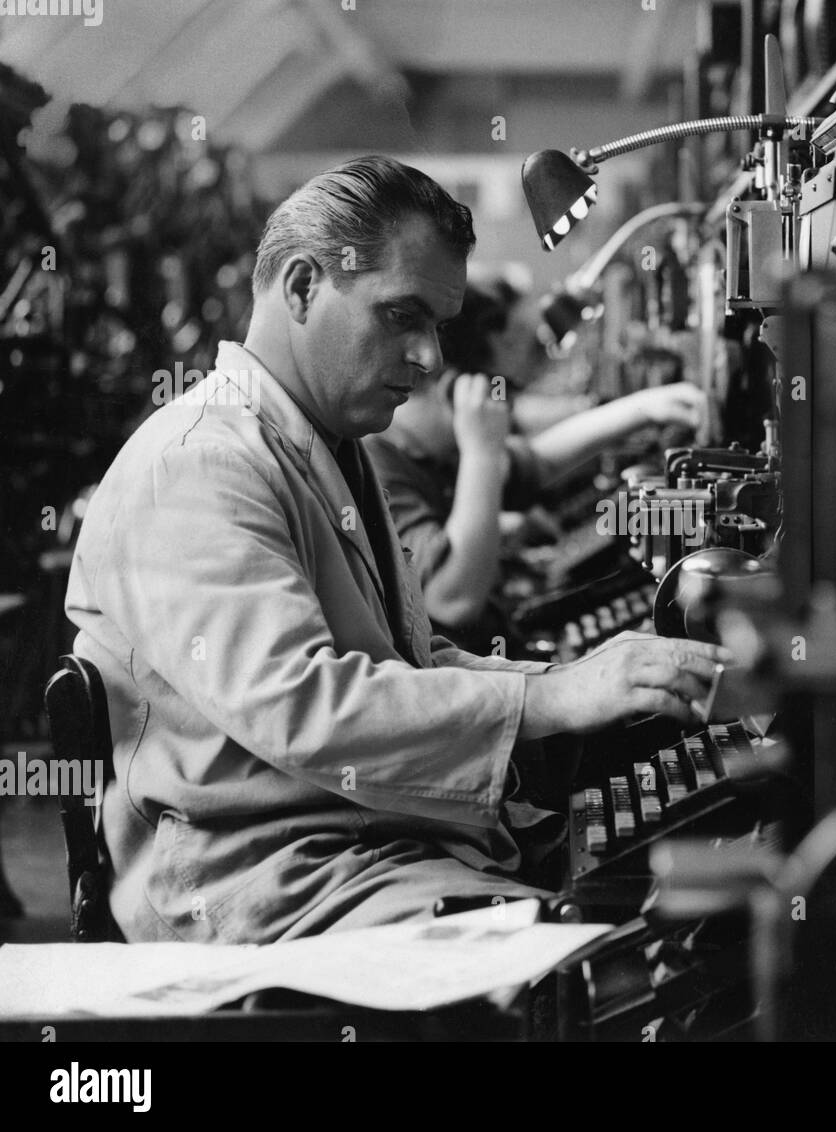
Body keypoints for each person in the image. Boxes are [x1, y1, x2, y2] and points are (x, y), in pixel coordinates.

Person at [64, 156, 728, 944]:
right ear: (304, 286)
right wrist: (547, 701)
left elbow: (402, 664)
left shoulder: (318, 446)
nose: (431, 359)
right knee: (565, 968)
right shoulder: (200, 463)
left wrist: (576, 679)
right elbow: (303, 704)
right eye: (401, 316)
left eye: (437, 326)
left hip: (361, 842)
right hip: (266, 881)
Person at [365, 283, 705, 651]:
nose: (509, 408)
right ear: (458, 392)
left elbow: (539, 461)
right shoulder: (381, 466)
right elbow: (453, 600)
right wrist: (482, 451)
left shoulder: (436, 454)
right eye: (503, 392)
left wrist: (646, 409)